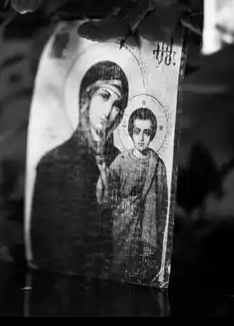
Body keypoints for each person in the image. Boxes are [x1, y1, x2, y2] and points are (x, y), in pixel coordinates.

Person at [30, 60, 129, 278]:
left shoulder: (124, 164)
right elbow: (44, 243)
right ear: (86, 97)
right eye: (104, 96)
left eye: (117, 105)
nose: (109, 111)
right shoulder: (53, 163)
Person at [97, 107, 169, 286]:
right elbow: (106, 194)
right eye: (137, 131)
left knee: (141, 278)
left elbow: (162, 203)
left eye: (146, 132)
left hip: (148, 231)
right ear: (130, 132)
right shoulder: (121, 161)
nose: (141, 138)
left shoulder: (157, 165)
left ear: (152, 134)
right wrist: (103, 179)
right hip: (122, 226)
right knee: (119, 275)